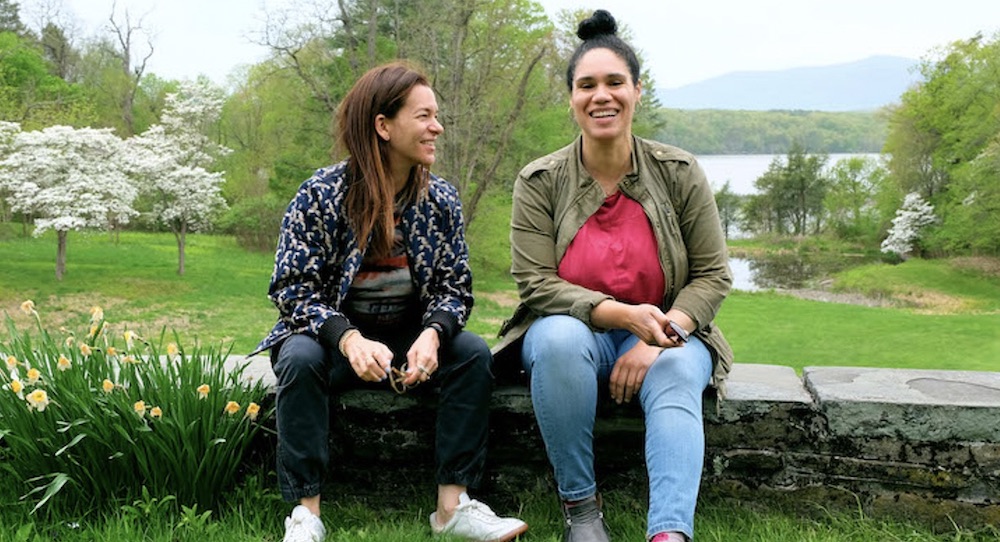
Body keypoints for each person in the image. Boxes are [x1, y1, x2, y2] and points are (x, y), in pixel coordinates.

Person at [252, 62, 528, 542]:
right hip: (331, 340)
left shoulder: (440, 199)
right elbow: (292, 288)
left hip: (407, 338)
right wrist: (348, 338)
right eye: (424, 116)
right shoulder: (320, 195)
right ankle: (305, 514)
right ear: (383, 126)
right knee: (296, 358)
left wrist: (434, 333)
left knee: (472, 354)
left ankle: (452, 508)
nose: (436, 127)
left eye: (436, 116)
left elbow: (455, 287)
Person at [493, 10, 734, 542]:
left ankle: (669, 531)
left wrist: (661, 336)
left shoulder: (679, 172)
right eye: (587, 85)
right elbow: (536, 283)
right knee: (555, 337)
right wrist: (624, 316)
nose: (601, 96)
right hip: (576, 335)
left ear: (637, 91)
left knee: (674, 374)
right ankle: (582, 510)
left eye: (614, 83)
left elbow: (713, 274)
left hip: (673, 331)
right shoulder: (539, 180)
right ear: (572, 98)